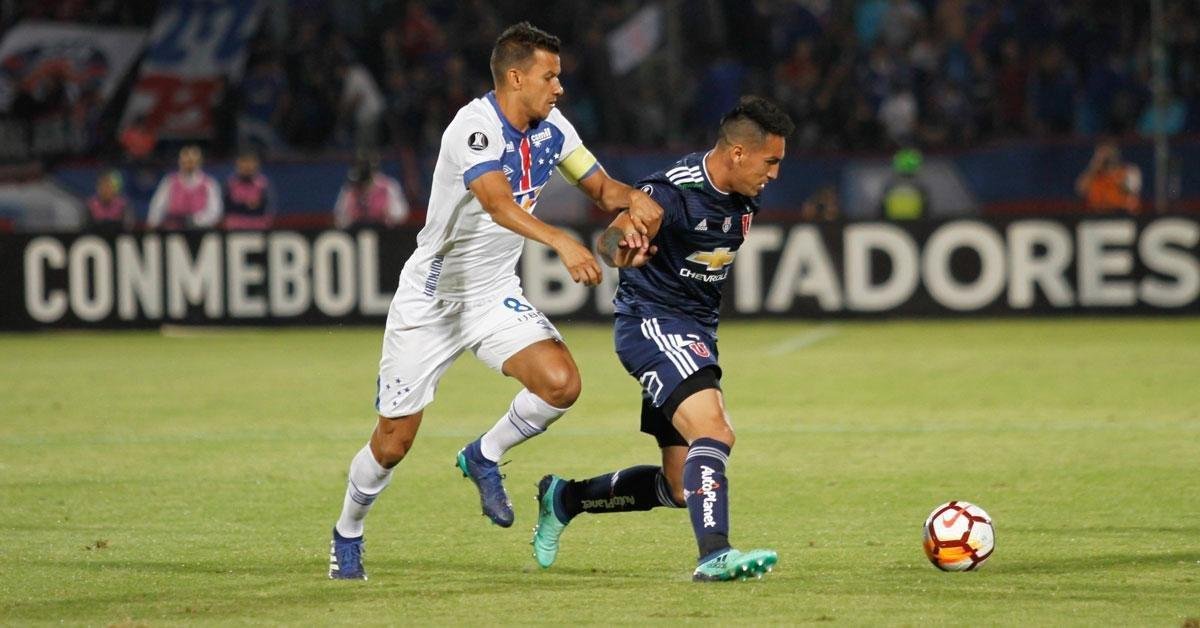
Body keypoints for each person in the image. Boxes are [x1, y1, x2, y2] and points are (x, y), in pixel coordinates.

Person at [327, 22, 664, 580]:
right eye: (549, 76)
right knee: (392, 444)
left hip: (491, 294)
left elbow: (603, 189)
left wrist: (644, 202)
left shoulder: (554, 128)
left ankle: (483, 454)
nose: (559, 88)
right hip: (432, 300)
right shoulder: (473, 128)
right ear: (515, 76)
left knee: (561, 384)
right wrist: (560, 240)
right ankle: (348, 531)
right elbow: (497, 203)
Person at [531, 95, 794, 582]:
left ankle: (563, 497)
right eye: (771, 161)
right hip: (654, 325)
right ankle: (715, 555)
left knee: (678, 486)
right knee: (714, 432)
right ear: (738, 153)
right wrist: (621, 251)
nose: (775, 174)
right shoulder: (670, 193)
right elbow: (608, 245)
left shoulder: (744, 191)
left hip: (695, 331)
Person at [146, 145, 223, 229]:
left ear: (199, 161)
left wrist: (194, 220)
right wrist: (153, 222)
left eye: (192, 161)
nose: (189, 164)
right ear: (180, 161)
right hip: (174, 229)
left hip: (202, 229)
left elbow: (215, 211)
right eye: (185, 161)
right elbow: (158, 205)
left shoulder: (209, 183)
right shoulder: (169, 181)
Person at [332, 157, 409, 229]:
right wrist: (352, 217)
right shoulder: (350, 188)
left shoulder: (387, 186)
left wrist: (387, 214)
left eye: (362, 182)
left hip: (384, 231)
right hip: (356, 231)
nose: (360, 186)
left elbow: (402, 214)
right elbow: (339, 218)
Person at [1075, 140, 1142, 214]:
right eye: (1102, 153)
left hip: (1121, 215)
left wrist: (1114, 173)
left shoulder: (1130, 170)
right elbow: (1080, 190)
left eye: (1108, 152)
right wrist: (1095, 165)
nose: (1106, 156)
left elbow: (1132, 196)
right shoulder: (1094, 173)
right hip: (1096, 216)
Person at [223, 150, 275, 230]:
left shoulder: (263, 184)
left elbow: (267, 208)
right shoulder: (230, 183)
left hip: (258, 228)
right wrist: (247, 205)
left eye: (250, 162)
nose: (247, 166)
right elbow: (227, 208)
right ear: (237, 164)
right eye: (244, 162)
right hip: (234, 228)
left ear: (257, 164)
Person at [880, 147, 930, 220]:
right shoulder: (920, 185)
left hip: (904, 223)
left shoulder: (890, 184)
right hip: (908, 223)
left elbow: (881, 207)